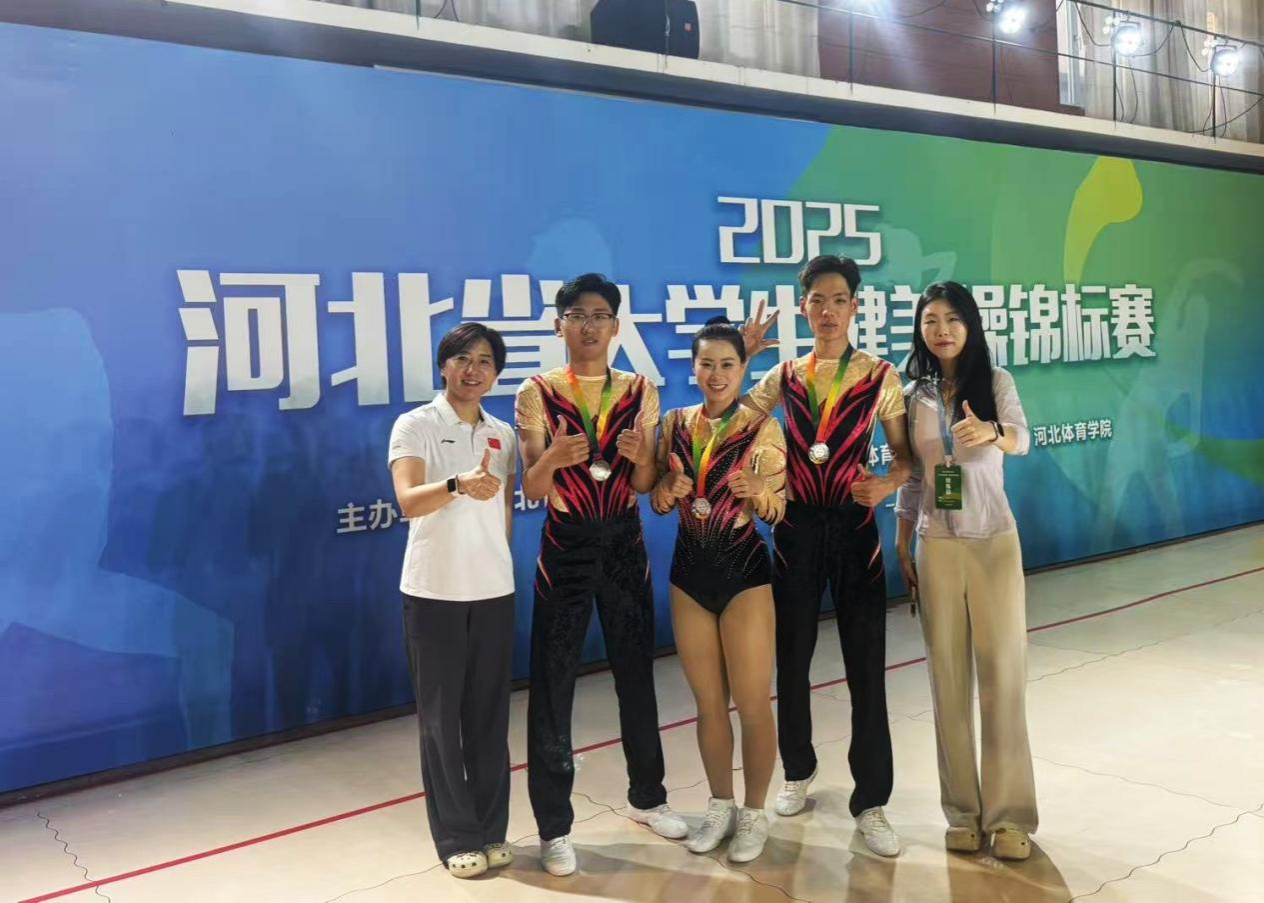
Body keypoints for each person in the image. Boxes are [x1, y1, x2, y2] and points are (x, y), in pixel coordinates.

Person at [741, 254, 913, 857]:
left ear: (855, 307)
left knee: (866, 662)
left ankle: (872, 800)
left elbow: (905, 456)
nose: (829, 311)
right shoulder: (785, 375)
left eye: (840, 300)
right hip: (796, 527)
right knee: (791, 657)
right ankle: (798, 768)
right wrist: (744, 358)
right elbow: (731, 422)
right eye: (818, 300)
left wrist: (888, 484)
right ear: (804, 307)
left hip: (854, 525)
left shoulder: (879, 376)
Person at [516, 273, 687, 876]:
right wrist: (553, 458)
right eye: (576, 315)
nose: (588, 326)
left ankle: (649, 797)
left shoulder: (640, 389)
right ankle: (554, 827)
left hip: (622, 544)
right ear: (558, 324)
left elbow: (642, 485)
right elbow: (533, 487)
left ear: (616, 325)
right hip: (565, 547)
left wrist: (643, 460)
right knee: (553, 683)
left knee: (636, 675)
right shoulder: (537, 391)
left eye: (599, 316)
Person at [894, 281, 1038, 861]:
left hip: (993, 541)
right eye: (931, 320)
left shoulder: (996, 382)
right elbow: (912, 474)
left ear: (971, 325)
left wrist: (992, 433)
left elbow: (1024, 440)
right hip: (937, 544)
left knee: (1003, 676)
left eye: (953, 318)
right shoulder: (914, 393)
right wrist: (903, 539)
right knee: (947, 680)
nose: (942, 330)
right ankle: (962, 813)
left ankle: (1009, 817)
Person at [650, 318, 787, 863]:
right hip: (689, 574)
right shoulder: (674, 424)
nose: (716, 374)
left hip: (744, 575)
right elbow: (658, 502)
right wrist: (667, 487)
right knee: (708, 705)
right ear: (693, 367)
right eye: (706, 363)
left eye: (727, 364)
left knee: (752, 703)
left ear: (743, 368)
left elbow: (778, 511)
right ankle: (720, 805)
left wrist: (758, 491)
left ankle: (754, 813)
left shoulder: (763, 428)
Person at [387, 323, 518, 879]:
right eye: (462, 359)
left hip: (493, 591)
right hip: (434, 592)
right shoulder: (416, 424)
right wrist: (457, 485)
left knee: (489, 717)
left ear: (496, 373)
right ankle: (457, 837)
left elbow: (505, 510)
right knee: (441, 722)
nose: (473, 370)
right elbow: (407, 501)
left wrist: (497, 558)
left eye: (485, 361)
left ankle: (492, 828)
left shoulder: (502, 433)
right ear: (444, 365)